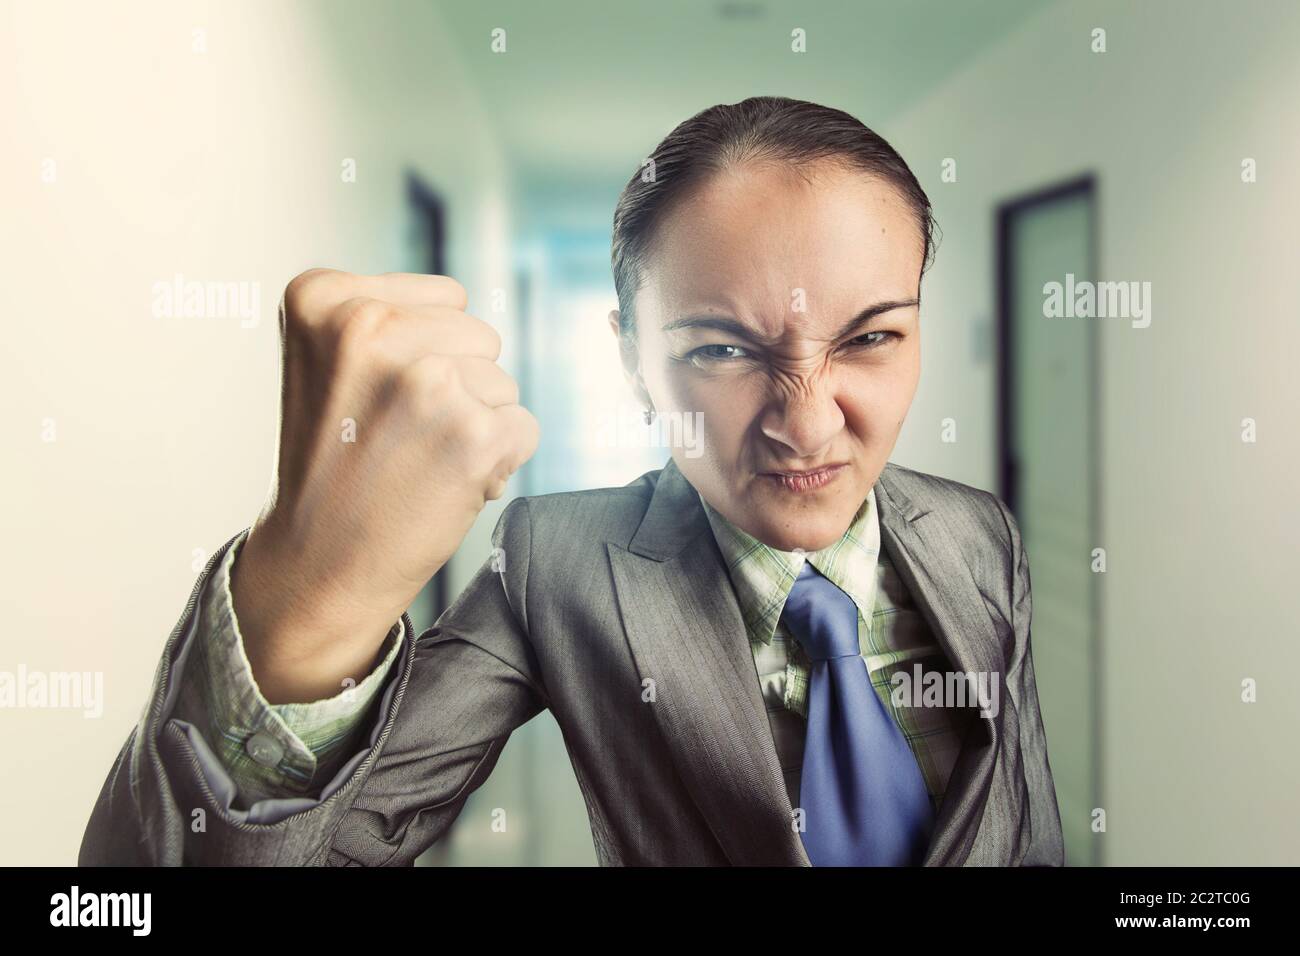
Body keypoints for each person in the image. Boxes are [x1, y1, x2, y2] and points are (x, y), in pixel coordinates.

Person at [79, 95, 1064, 866]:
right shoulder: (555, 562)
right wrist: (308, 599)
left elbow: (1023, 825)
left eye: (873, 335)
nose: (807, 420)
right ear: (633, 359)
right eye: (721, 347)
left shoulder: (977, 534)